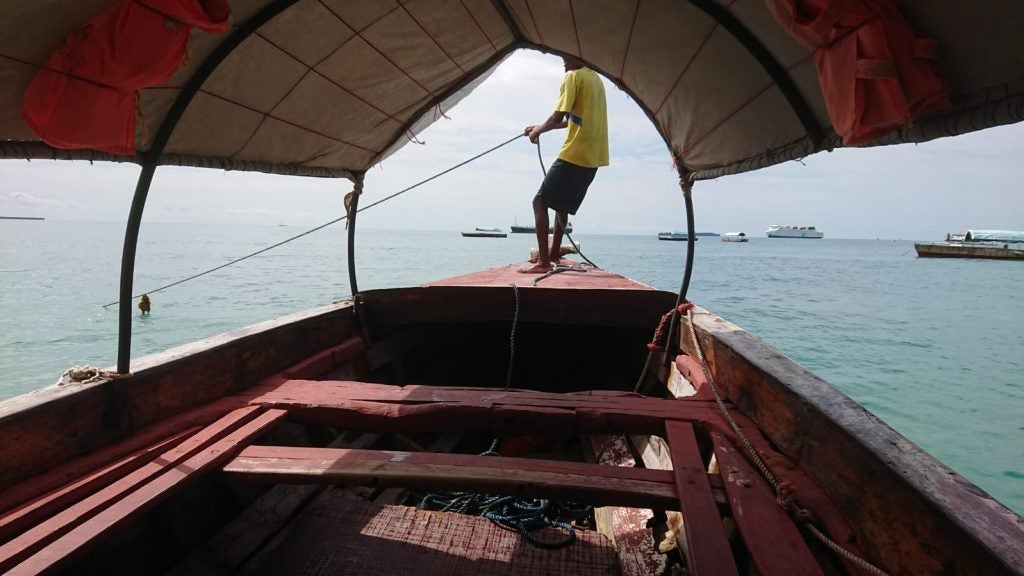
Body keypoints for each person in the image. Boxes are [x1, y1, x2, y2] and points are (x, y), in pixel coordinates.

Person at [519, 56, 609, 273]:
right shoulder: (595, 79)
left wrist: (539, 130)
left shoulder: (573, 77)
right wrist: (540, 126)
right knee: (561, 205)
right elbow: (570, 120)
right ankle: (553, 253)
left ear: (578, 56)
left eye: (566, 56)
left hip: (575, 153)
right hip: (593, 158)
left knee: (539, 202)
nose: (563, 62)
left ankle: (543, 262)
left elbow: (558, 114)